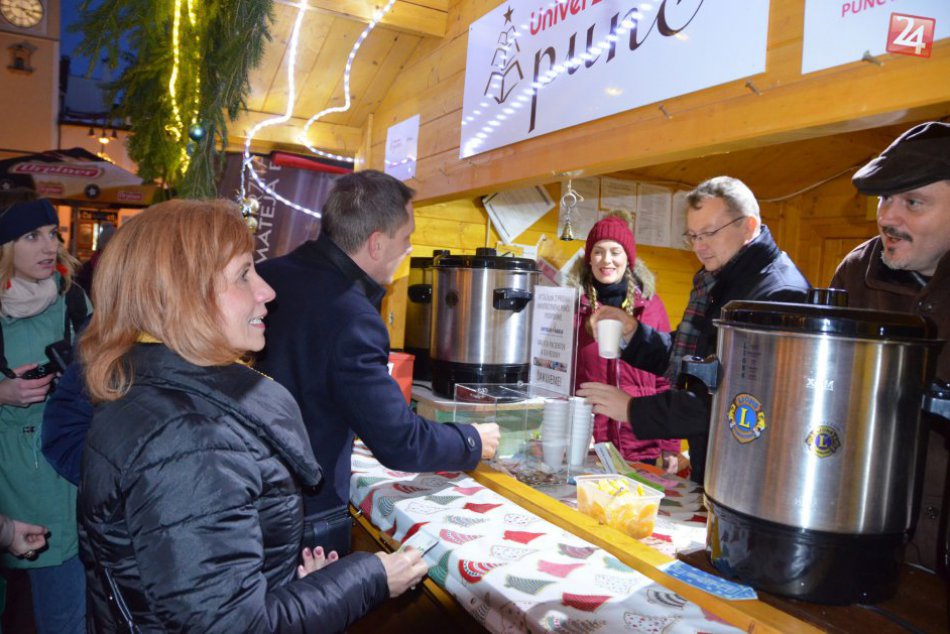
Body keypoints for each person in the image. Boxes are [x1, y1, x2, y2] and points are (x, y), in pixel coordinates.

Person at [78, 199, 428, 632]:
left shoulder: (151, 389)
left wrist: (301, 589)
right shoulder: (191, 439)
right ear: (182, 293)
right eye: (243, 274)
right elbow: (232, 626)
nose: (267, 291)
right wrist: (370, 577)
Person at [256, 170, 500, 555]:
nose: (408, 249)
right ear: (376, 244)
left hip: (251, 496)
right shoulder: (353, 317)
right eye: (406, 239)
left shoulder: (266, 276)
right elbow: (400, 442)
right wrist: (472, 439)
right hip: (303, 517)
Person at [578, 176, 810, 483]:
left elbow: (732, 404)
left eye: (709, 233)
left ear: (749, 226)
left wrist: (633, 409)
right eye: (693, 236)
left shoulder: (777, 295)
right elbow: (692, 360)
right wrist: (633, 334)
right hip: (716, 464)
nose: (699, 247)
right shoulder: (721, 280)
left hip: (749, 475)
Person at [830, 121, 950, 574]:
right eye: (885, 198)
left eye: (913, 202)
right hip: (867, 534)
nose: (887, 217)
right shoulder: (857, 271)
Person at [0, 198, 90, 634]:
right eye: (32, 236)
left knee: (64, 609)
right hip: (11, 477)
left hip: (67, 469)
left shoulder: (72, 300)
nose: (48, 245)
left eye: (53, 233)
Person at [569, 213, 682, 470]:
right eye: (598, 252)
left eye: (615, 251)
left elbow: (668, 377)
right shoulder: (575, 307)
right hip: (587, 442)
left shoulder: (651, 306)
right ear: (589, 258)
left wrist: (670, 445)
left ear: (627, 258)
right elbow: (563, 375)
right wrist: (572, 427)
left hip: (641, 440)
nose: (606, 260)